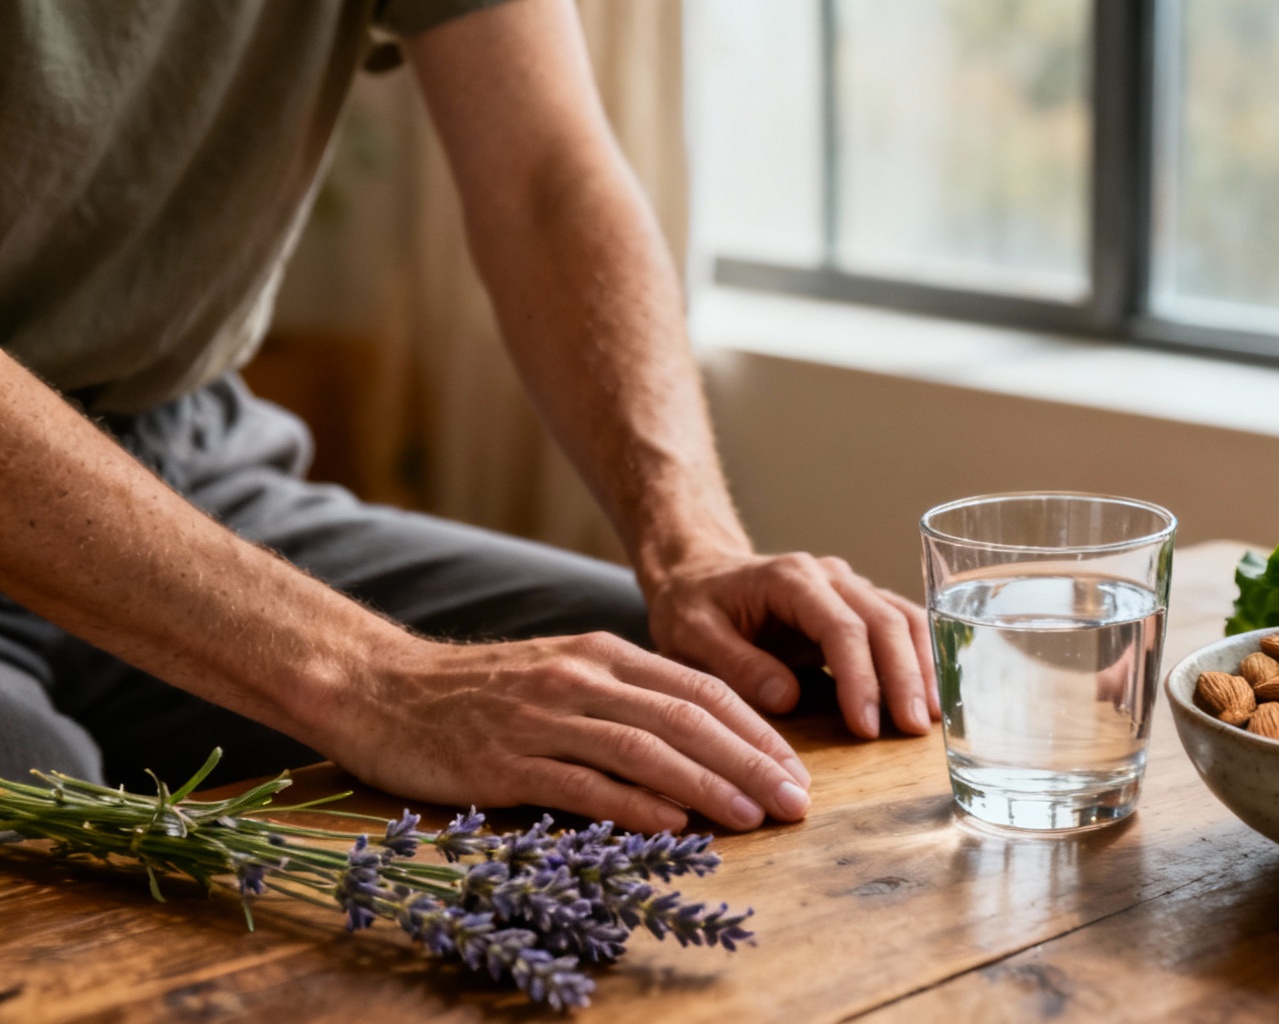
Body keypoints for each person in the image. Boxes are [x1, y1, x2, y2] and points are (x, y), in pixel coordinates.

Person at [0, 0, 936, 834]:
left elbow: (543, 176)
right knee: (56, 849)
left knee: (719, 709)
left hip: (185, 459)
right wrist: (373, 681)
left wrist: (693, 547)